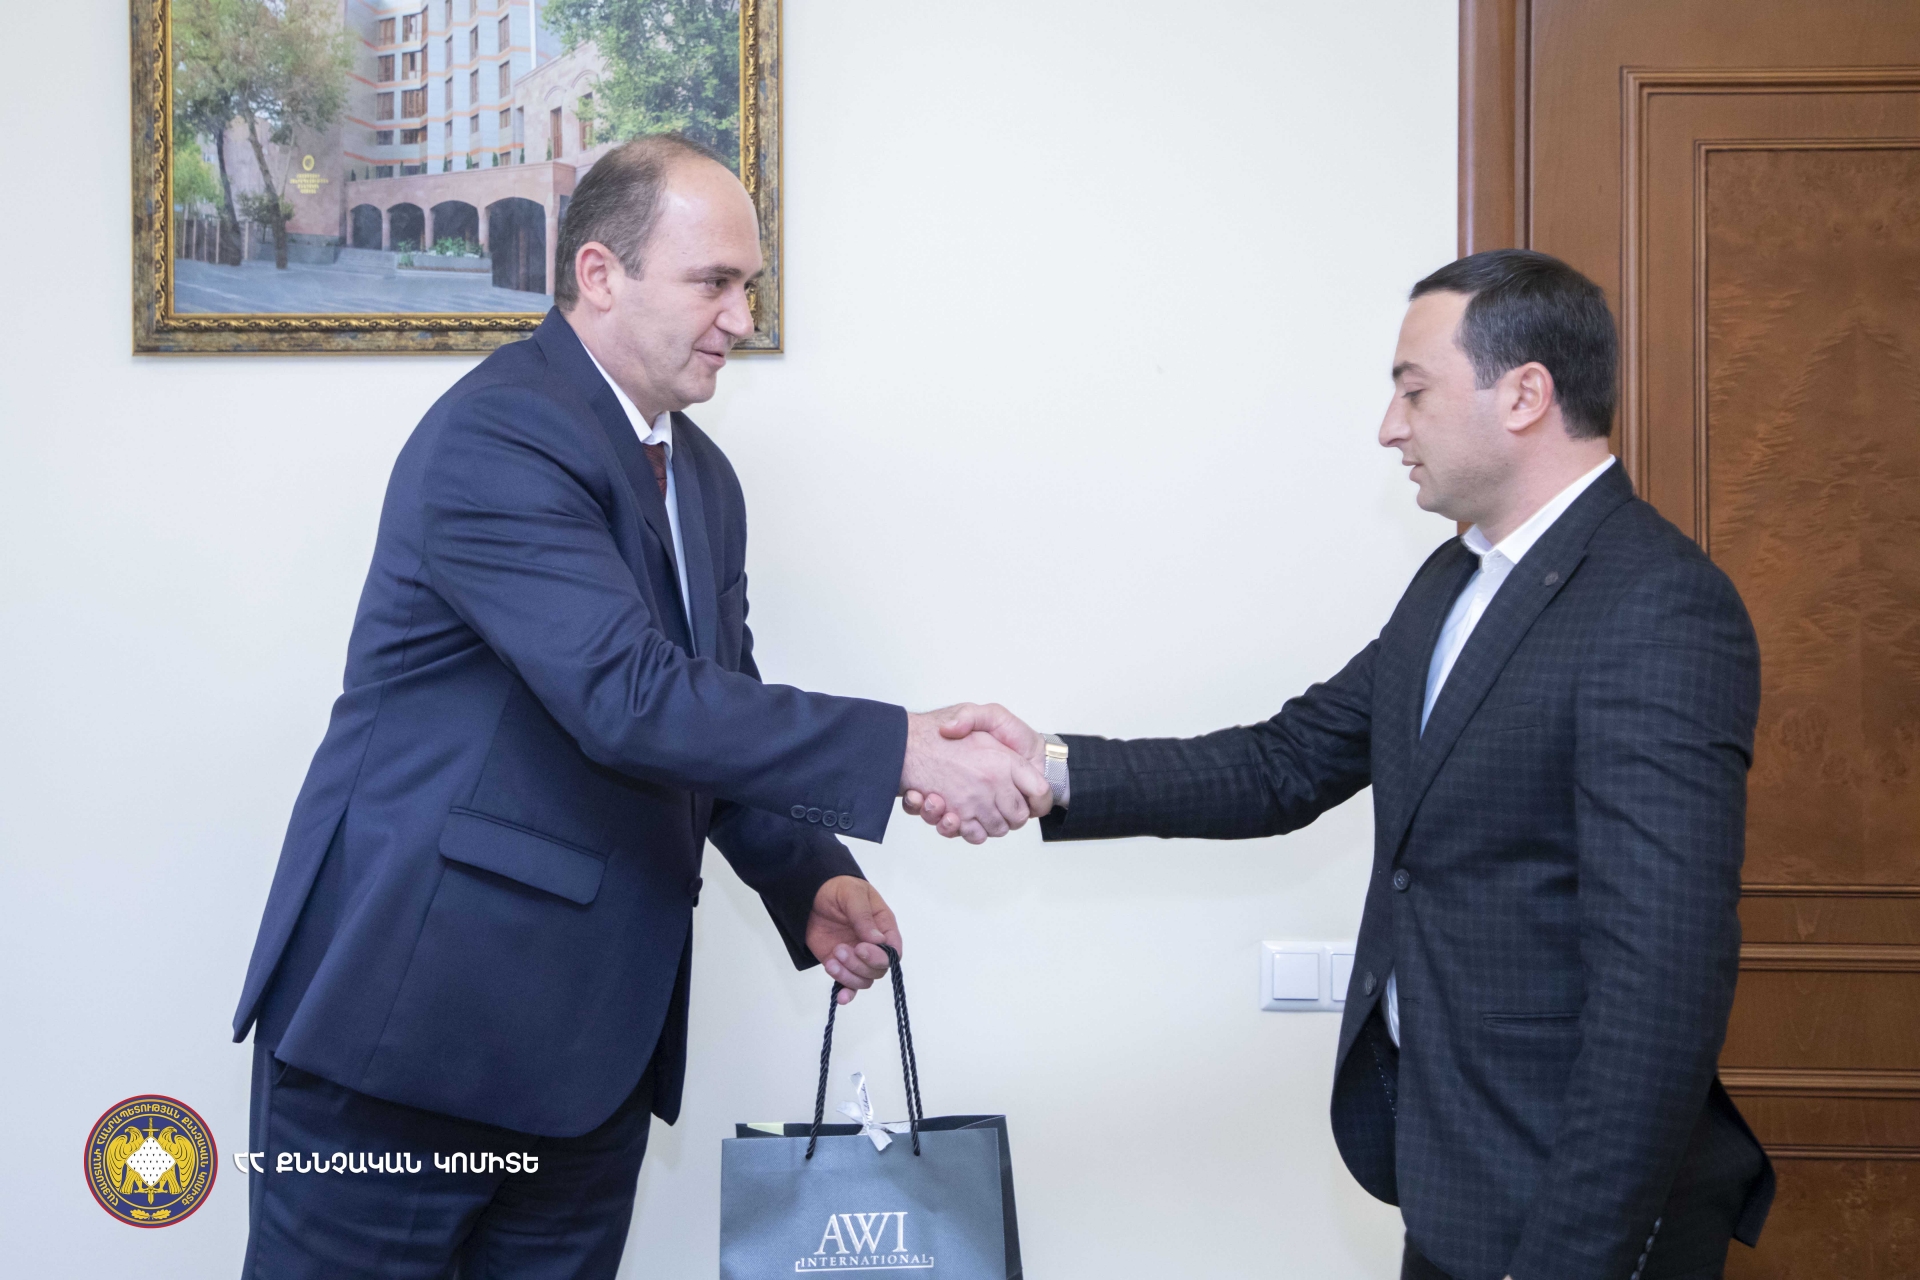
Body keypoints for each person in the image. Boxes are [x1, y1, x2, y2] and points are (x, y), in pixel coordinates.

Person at [231, 134, 1049, 1279]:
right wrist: (904, 745)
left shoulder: (702, 476)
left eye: (749, 285)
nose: (741, 317)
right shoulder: (499, 432)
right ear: (600, 274)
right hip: (408, 1037)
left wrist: (806, 876)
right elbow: (627, 696)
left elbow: (718, 713)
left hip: (586, 1063)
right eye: (714, 281)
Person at [909, 250, 1774, 1280]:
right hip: (1453, 1172)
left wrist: (1571, 1255)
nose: (1389, 427)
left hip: (1573, 1207)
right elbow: (1286, 761)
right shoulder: (1454, 580)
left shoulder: (1657, 605)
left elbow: (1662, 983)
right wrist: (1049, 766)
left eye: (1414, 390)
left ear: (1525, 395)